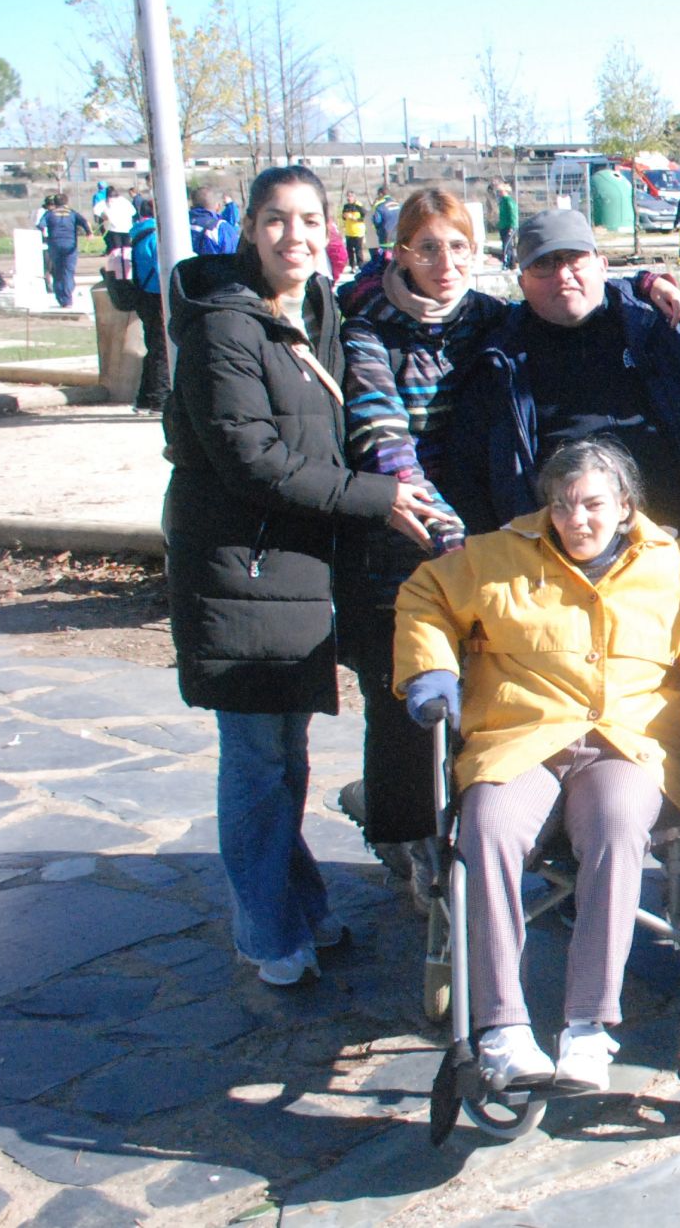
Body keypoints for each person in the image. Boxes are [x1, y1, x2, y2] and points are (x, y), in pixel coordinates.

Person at [162, 165, 450, 987]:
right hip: (243, 569)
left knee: (287, 759)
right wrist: (378, 499)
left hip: (294, 571)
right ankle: (265, 932)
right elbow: (257, 463)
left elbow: (402, 291)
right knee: (256, 760)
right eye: (275, 220)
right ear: (249, 229)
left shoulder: (316, 311)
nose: (293, 235)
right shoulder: (224, 329)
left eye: (308, 219)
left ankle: (300, 907)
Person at [395, 439, 680, 1090]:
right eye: (561, 505)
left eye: (592, 505)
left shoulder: (670, 561)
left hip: (627, 741)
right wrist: (433, 674)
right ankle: (501, 1028)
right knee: (485, 827)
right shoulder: (497, 557)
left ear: (626, 505)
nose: (575, 520)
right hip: (522, 737)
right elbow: (425, 599)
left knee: (615, 823)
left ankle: (588, 1027)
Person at [334, 190, 510, 885]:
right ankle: (405, 838)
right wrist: (452, 535)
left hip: (477, 543)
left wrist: (648, 282)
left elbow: (573, 300)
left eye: (459, 247)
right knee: (402, 700)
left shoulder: (487, 319)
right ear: (401, 252)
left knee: (482, 697)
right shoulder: (366, 325)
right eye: (429, 247)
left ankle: (477, 836)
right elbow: (385, 439)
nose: (445, 263)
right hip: (404, 544)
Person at [444, 208, 680, 581]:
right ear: (522, 281)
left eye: (574, 259)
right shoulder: (497, 361)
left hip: (675, 544)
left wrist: (650, 281)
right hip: (562, 559)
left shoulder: (660, 327)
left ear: (602, 265)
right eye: (544, 265)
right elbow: (469, 474)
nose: (563, 275)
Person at [127, 202, 169, 414]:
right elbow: (163, 268)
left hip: (144, 296)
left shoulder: (138, 235)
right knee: (162, 350)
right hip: (158, 297)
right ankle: (160, 400)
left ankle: (144, 399)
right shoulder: (157, 236)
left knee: (154, 348)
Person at [41, 194, 90, 308]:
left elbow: (40, 225)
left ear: (55, 203)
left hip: (55, 245)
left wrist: (46, 236)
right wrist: (89, 232)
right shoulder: (72, 213)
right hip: (70, 245)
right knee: (68, 272)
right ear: (66, 202)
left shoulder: (49, 214)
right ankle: (67, 298)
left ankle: (61, 298)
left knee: (57, 272)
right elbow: (84, 222)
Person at [189, 188, 238, 256]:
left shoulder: (178, 225)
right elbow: (233, 258)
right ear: (217, 206)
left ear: (192, 205)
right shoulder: (221, 227)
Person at [101, 185, 135, 252]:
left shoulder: (108, 201)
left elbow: (103, 213)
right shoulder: (124, 201)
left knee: (117, 249)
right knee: (127, 249)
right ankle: (127, 261)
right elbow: (133, 212)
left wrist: (104, 216)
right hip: (126, 228)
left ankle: (120, 261)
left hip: (115, 229)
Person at [494, 182, 519, 269]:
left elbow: (513, 214)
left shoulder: (509, 201)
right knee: (507, 246)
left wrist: (512, 226)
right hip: (503, 226)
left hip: (509, 227)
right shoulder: (502, 202)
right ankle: (512, 264)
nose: (499, 193)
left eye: (500, 191)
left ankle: (506, 264)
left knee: (506, 246)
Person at [340, 194, 368, 270]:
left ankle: (361, 267)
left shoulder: (359, 206)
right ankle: (352, 267)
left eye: (350, 196)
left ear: (354, 197)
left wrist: (356, 219)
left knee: (358, 250)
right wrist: (344, 216)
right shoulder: (346, 206)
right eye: (347, 196)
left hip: (358, 232)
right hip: (349, 232)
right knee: (349, 251)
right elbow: (343, 217)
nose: (349, 198)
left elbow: (366, 217)